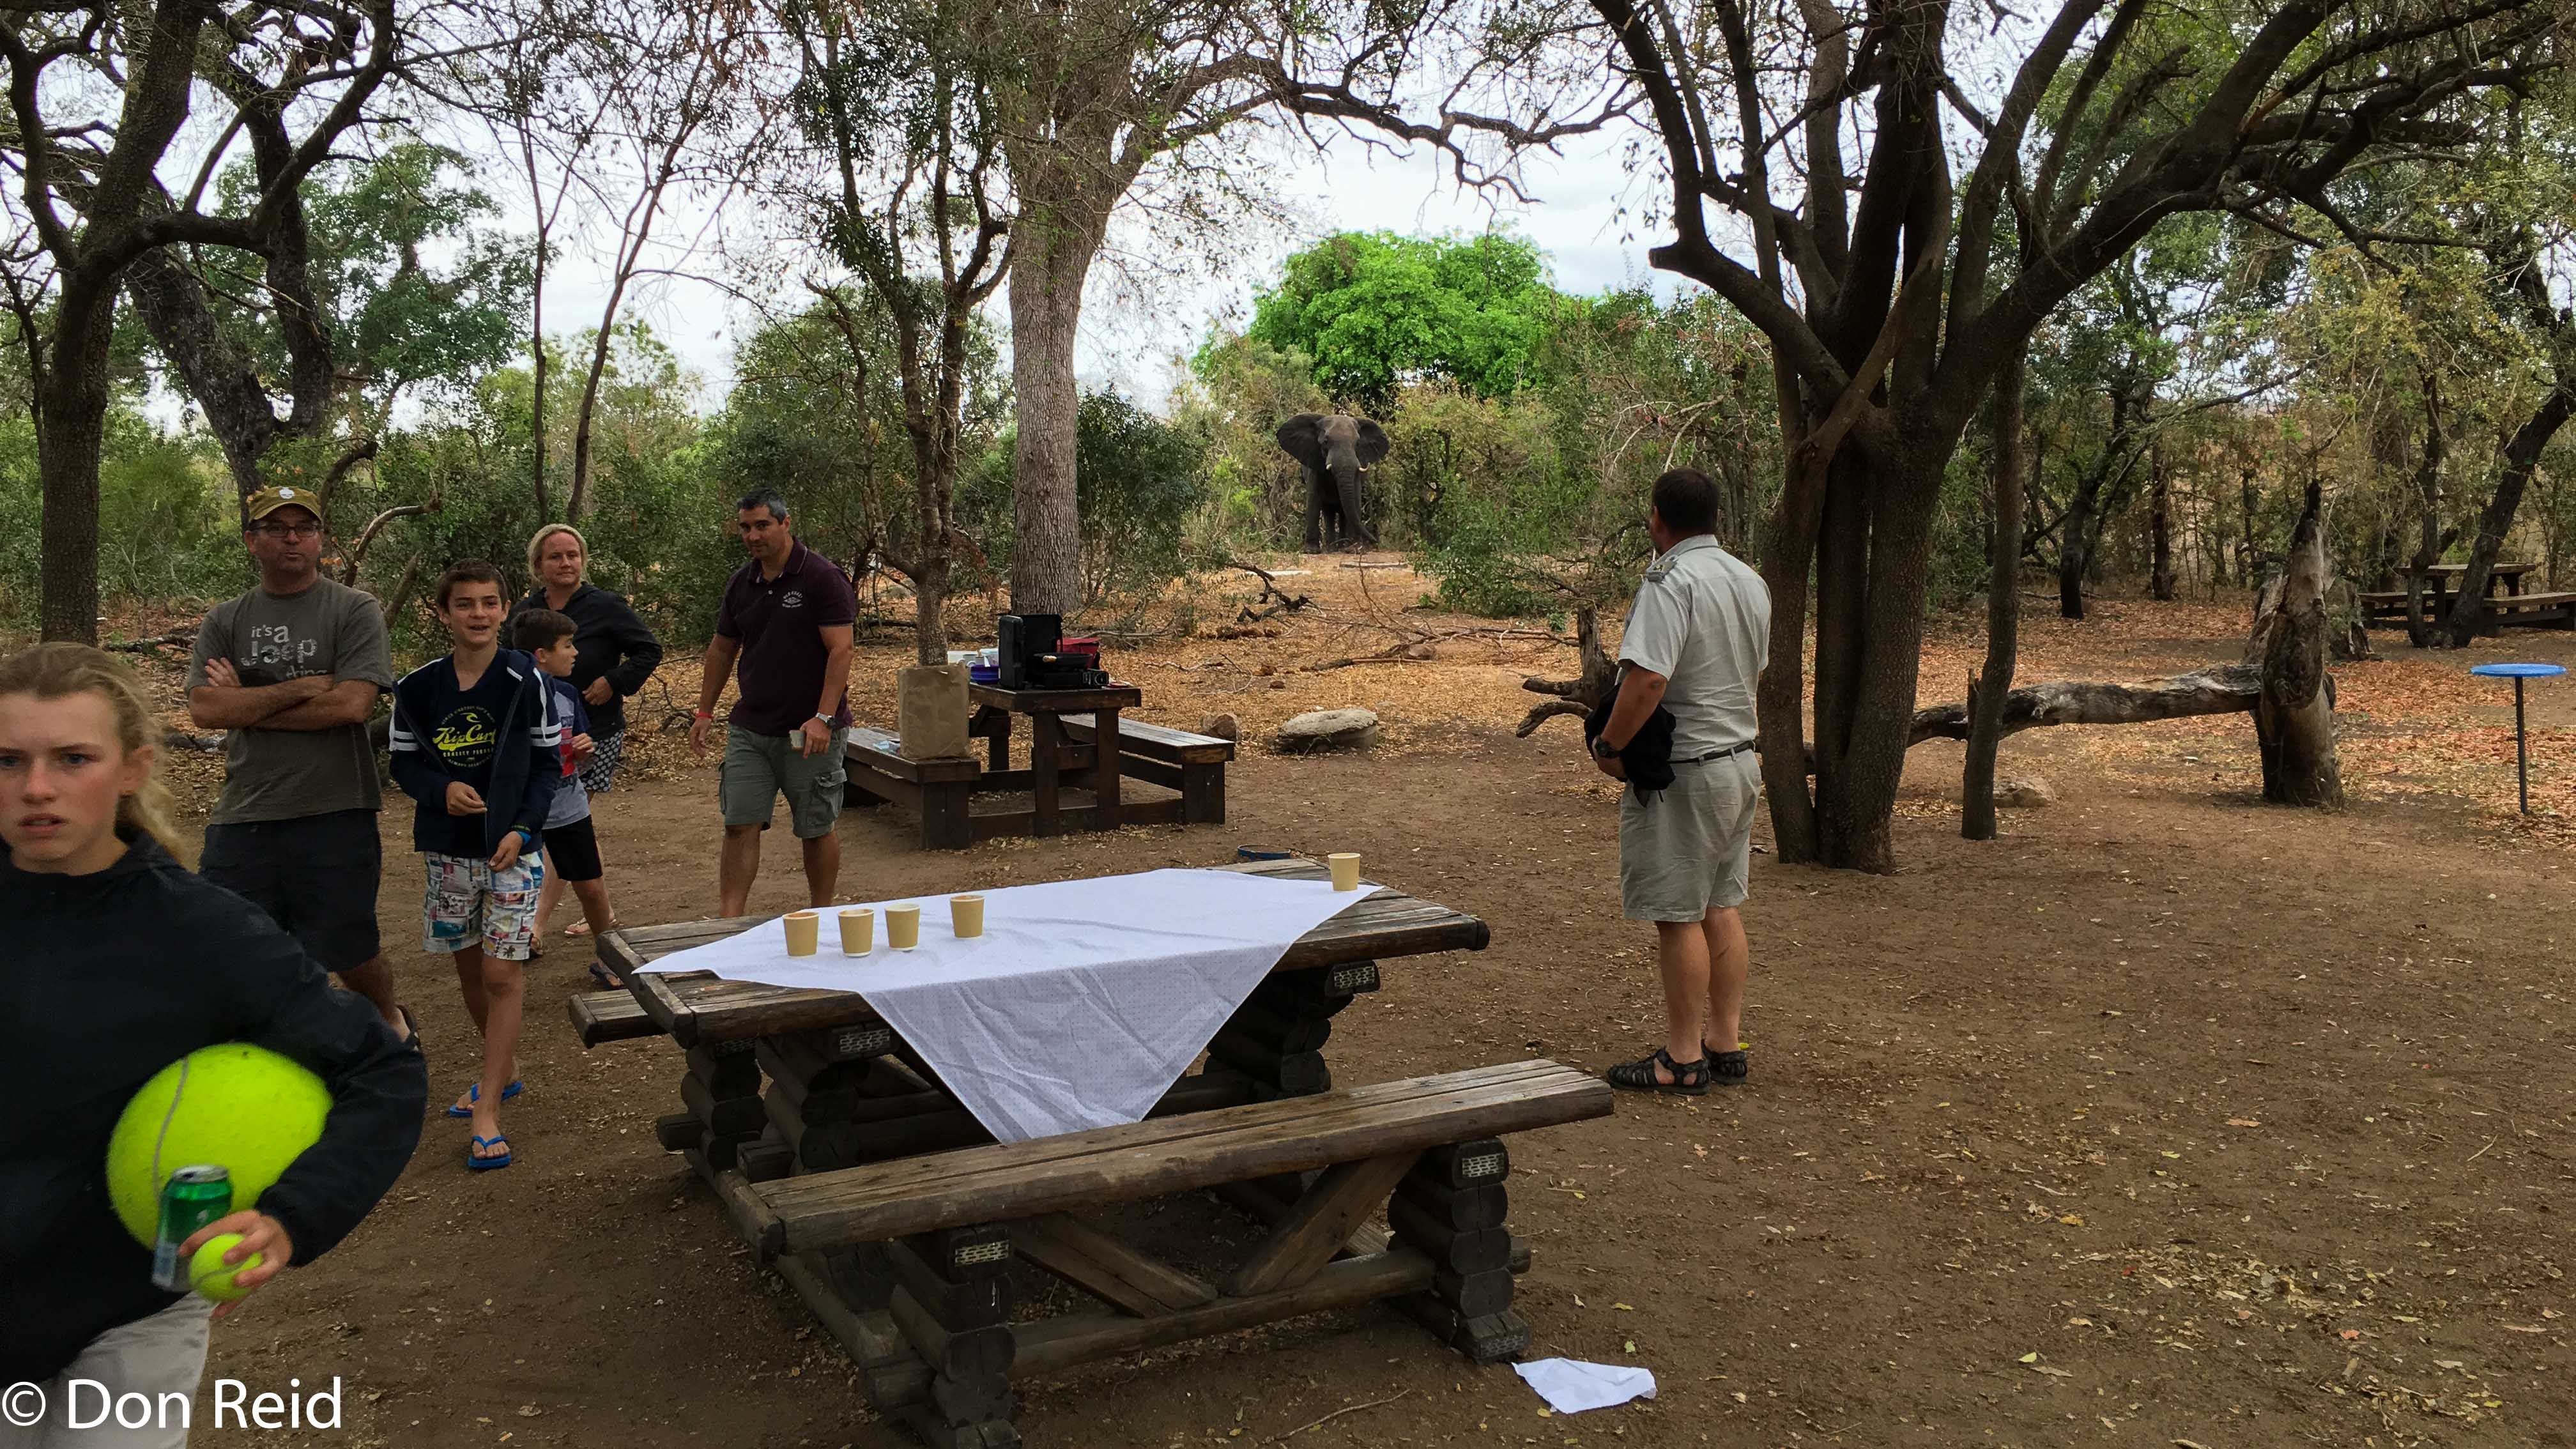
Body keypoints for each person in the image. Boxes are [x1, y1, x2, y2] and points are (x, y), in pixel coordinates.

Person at [0, 643, 425, 1437]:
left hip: (128, 1316)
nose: (37, 787)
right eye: (8, 760)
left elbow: (383, 1070)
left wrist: (291, 1216)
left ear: (133, 768)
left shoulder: (200, 931)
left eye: (73, 758)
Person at [185, 484, 413, 1046]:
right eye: (276, 528)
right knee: (229, 941)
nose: (292, 538)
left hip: (335, 807)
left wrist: (247, 705)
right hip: (244, 812)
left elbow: (351, 706)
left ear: (321, 540)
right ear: (251, 541)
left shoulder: (353, 609)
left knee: (350, 948)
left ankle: (392, 1027)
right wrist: (303, 688)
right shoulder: (226, 620)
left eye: (304, 528)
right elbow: (206, 709)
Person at [1591, 468, 1771, 1095]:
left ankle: (1682, 1058)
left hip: (1687, 771)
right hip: (1740, 762)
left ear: (1657, 520)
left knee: (1677, 915)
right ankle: (1725, 1042)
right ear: (1714, 516)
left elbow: (1648, 679)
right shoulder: (1748, 580)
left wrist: (1610, 744)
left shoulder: (1670, 582)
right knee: (1721, 906)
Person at [389, 562, 559, 1171]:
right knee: (469, 971)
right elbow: (403, 763)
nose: (479, 614)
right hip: (447, 853)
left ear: (506, 609)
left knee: (500, 974)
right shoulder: (417, 688)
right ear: (444, 614)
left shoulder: (525, 679)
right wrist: (440, 791)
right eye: (465, 604)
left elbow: (548, 765)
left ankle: (488, 1109)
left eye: (490, 603)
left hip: (513, 851)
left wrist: (522, 829)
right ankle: (503, 1070)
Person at [688, 490, 855, 917]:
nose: (753, 536)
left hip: (809, 731)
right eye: (745, 527)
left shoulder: (821, 577)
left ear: (785, 523)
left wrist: (823, 718)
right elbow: (722, 649)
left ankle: (821, 916)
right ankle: (729, 923)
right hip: (752, 729)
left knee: (815, 828)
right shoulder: (741, 583)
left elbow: (841, 650)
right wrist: (705, 712)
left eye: (762, 525)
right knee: (738, 824)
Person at [510, 523, 662, 810]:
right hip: (534, 731)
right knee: (538, 812)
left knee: (572, 811)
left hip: (595, 730)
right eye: (555, 557)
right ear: (538, 564)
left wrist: (613, 681)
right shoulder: (524, 612)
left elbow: (649, 650)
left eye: (573, 555)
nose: (566, 563)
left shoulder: (606, 606)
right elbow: (508, 662)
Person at [516, 608, 624, 987]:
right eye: (567, 645)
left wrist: (584, 750)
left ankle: (609, 959)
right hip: (521, 812)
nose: (576, 652)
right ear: (542, 655)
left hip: (568, 807)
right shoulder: (509, 698)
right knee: (513, 887)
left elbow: (581, 752)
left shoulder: (566, 694)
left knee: (591, 888)